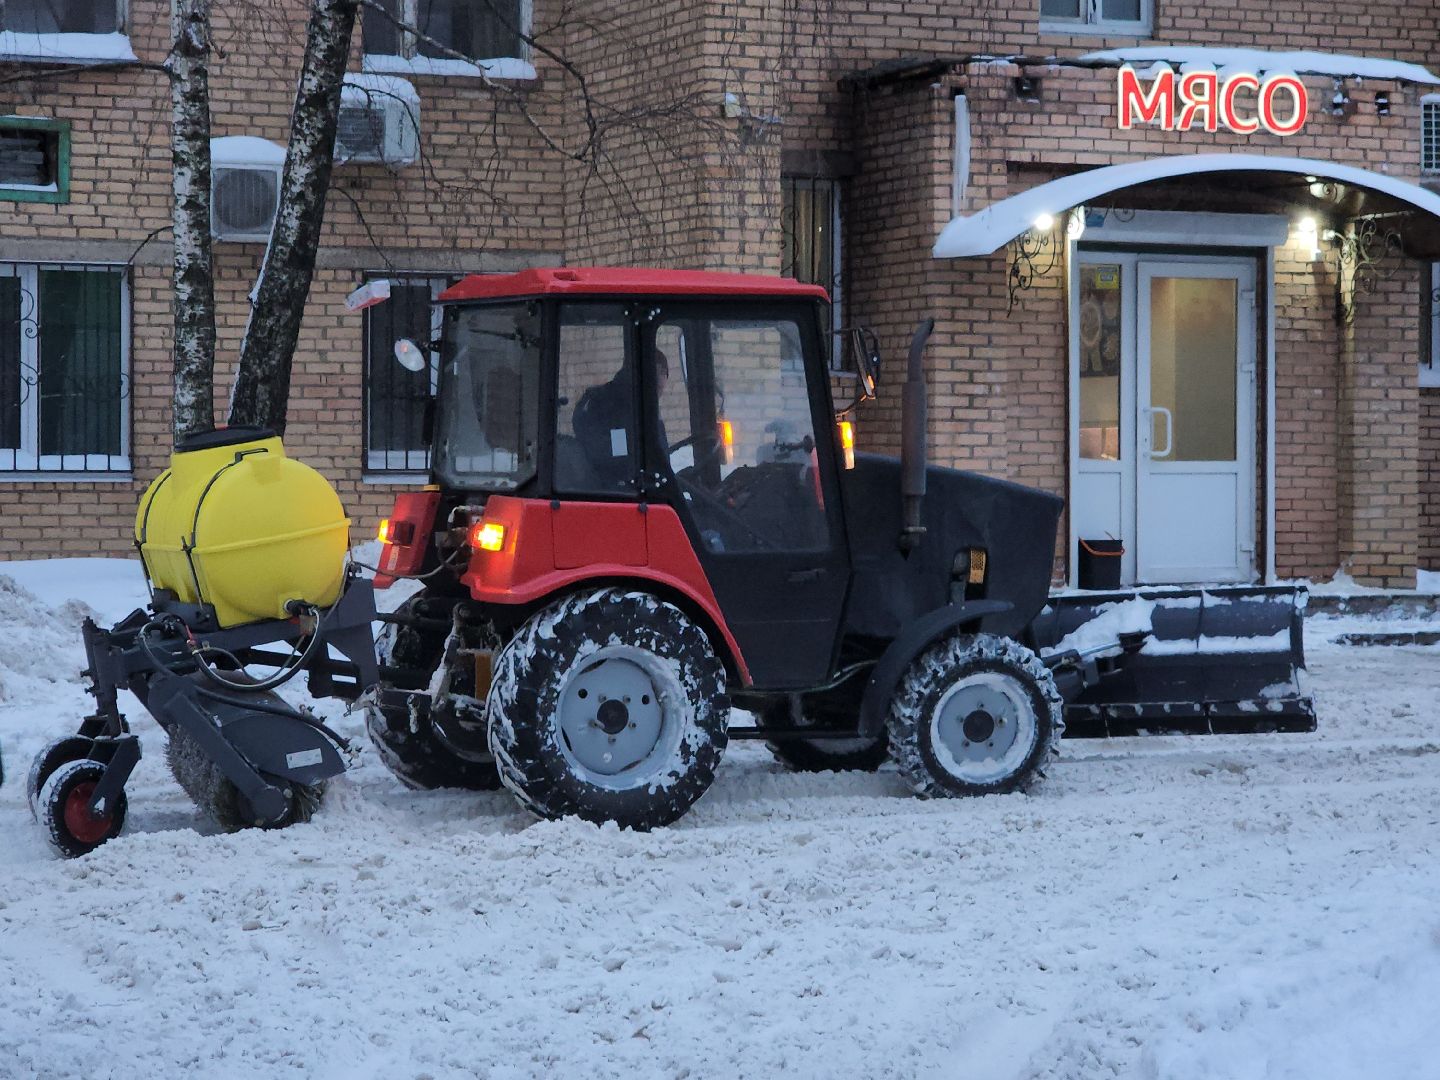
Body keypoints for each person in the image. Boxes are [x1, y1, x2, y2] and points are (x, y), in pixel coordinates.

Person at [570, 349, 669, 489]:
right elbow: (618, 455)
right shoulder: (615, 405)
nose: (661, 386)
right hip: (614, 491)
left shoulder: (636, 403)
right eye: (660, 373)